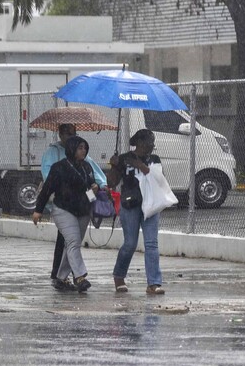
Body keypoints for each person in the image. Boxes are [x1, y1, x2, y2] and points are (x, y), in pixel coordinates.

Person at [40, 123, 107, 291]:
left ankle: (61, 277)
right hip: (64, 208)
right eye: (79, 148)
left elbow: (93, 184)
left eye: (84, 148)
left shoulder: (86, 166)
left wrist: (94, 193)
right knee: (73, 241)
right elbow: (47, 186)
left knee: (71, 244)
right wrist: (38, 210)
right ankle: (79, 276)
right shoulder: (57, 163)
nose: (83, 151)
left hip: (82, 210)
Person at [107, 129, 164, 295]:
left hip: (151, 205)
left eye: (153, 142)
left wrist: (140, 166)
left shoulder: (154, 160)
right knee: (130, 243)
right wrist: (114, 166)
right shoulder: (124, 159)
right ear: (139, 142)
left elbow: (159, 179)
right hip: (130, 205)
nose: (152, 145)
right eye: (149, 142)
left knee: (151, 244)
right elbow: (111, 182)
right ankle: (119, 276)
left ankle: (153, 283)